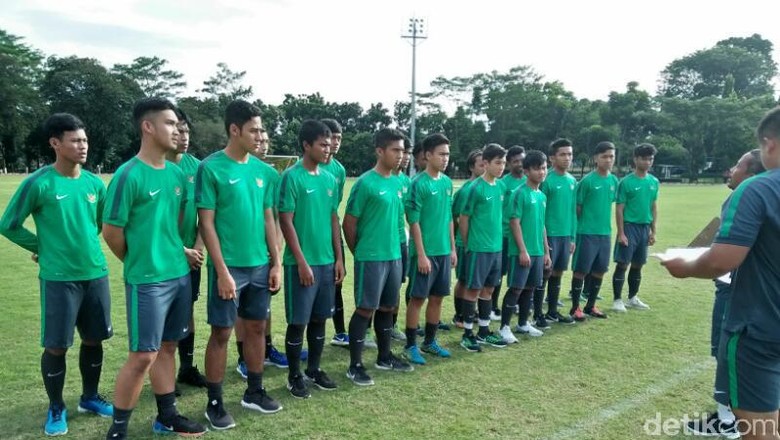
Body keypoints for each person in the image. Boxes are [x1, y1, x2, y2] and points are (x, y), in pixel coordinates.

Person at [663, 107, 780, 440]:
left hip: (760, 327)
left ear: (768, 144)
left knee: (759, 431)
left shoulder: (759, 189)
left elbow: (721, 261)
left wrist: (683, 268)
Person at [0, 113, 113, 436]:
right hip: (59, 279)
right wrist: (42, 246)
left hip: (95, 274)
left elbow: (103, 226)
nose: (83, 146)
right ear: (55, 143)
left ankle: (90, 398)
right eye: (75, 141)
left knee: (94, 339)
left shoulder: (94, 183)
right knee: (57, 346)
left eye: (85, 140)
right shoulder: (39, 183)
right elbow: (7, 225)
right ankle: (56, 406)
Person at [104, 98, 206, 439]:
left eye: (178, 124)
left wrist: (177, 252)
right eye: (169, 123)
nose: (177, 130)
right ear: (148, 127)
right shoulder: (127, 175)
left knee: (167, 347)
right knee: (142, 355)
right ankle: (118, 430)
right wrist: (139, 262)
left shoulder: (177, 174)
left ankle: (166, 416)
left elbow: (169, 228)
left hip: (178, 275)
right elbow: (113, 232)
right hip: (147, 281)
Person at [198, 100, 283, 430]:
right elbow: (206, 223)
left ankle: (254, 391)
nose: (260, 135)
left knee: (257, 328)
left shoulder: (264, 172)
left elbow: (268, 219)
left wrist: (276, 263)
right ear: (234, 130)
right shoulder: (211, 168)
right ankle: (215, 402)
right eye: (254, 130)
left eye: (261, 129)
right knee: (221, 332)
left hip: (260, 266)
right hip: (229, 267)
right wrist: (221, 272)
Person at [684, 149, 764, 438]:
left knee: (726, 351)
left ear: (752, 174)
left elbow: (724, 254)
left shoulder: (744, 198)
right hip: (747, 291)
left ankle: (726, 419)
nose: (731, 169)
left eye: (738, 164)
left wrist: (687, 262)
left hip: (735, 290)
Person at [279, 120, 344, 398]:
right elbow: (286, 220)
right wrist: (302, 261)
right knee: (298, 322)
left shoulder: (330, 179)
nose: (328, 149)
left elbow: (333, 219)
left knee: (320, 319)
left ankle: (314, 370)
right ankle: (294, 376)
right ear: (307, 146)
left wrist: (339, 258)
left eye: (330, 144)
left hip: (327, 262)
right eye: (322, 144)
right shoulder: (292, 177)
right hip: (301, 265)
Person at [343, 127, 412, 385]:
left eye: (402, 150)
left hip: (393, 255)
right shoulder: (365, 183)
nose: (400, 155)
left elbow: (397, 223)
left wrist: (399, 254)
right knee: (365, 309)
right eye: (395, 150)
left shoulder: (397, 183)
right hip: (371, 257)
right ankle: (355, 365)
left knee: (388, 307)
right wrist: (359, 252)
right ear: (380, 151)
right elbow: (348, 223)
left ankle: (384, 356)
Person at [235, 129, 291, 379]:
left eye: (267, 140)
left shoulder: (270, 175)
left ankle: (266, 350)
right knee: (241, 311)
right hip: (241, 257)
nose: (263, 144)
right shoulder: (234, 170)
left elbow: (277, 217)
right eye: (259, 139)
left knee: (262, 309)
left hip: (266, 256)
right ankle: (242, 357)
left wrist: (276, 250)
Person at [403, 133, 459, 361]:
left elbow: (448, 218)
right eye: (441, 154)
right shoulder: (417, 184)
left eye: (447, 154)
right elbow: (413, 221)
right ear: (427, 155)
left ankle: (429, 342)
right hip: (424, 254)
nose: (445, 158)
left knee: (437, 298)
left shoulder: (446, 183)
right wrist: (422, 254)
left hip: (444, 252)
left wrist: (453, 248)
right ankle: (410, 345)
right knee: (418, 299)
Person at [166, 109, 208, 392]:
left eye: (186, 131)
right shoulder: (154, 167)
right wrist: (179, 249)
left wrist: (196, 248)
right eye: (177, 130)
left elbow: (207, 215)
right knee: (164, 314)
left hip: (192, 255)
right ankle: (164, 375)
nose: (183, 137)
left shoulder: (199, 168)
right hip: (164, 255)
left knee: (187, 309)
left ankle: (187, 368)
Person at [458, 143, 508, 351]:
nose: (501, 167)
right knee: (473, 290)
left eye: (503, 162)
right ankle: (467, 333)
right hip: (478, 249)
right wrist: (469, 244)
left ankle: (484, 331)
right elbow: (463, 218)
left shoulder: (502, 187)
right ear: (485, 163)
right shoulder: (474, 188)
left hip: (496, 248)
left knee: (488, 289)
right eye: (498, 163)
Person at [499, 150, 553, 341]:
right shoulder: (519, 193)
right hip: (521, 252)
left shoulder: (542, 196)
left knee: (530, 288)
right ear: (527, 171)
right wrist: (522, 250)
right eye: (537, 169)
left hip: (538, 251)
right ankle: (504, 327)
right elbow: (514, 222)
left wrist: (546, 252)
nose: (542, 172)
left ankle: (523, 323)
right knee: (516, 288)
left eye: (544, 168)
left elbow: (542, 226)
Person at [569, 141, 618, 321]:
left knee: (600, 270)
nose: (608, 160)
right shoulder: (587, 181)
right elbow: (578, 208)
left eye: (611, 156)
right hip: (586, 232)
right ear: (596, 158)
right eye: (604, 156)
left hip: (605, 233)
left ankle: (590, 306)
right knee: (581, 270)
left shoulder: (613, 180)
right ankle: (575, 308)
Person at [611, 143, 659, 312]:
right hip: (629, 227)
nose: (647, 162)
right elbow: (619, 209)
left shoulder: (654, 182)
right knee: (623, 264)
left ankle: (632, 297)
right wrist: (621, 233)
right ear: (635, 159)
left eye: (650, 159)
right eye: (644, 159)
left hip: (644, 228)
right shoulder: (626, 182)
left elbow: (653, 206)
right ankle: (617, 300)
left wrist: (653, 230)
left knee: (638, 264)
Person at [320, 119, 352, 348]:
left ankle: (340, 332)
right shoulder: (311, 165)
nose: (336, 143)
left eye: (340, 138)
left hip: (332, 229)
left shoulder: (339, 169)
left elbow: (335, 204)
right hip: (310, 232)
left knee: (337, 280)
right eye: (333, 138)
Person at [539, 139, 576, 325]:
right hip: (549, 236)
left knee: (559, 273)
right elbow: (540, 213)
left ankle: (552, 311)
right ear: (552, 158)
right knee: (545, 273)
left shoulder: (572, 181)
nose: (567, 158)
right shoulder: (547, 181)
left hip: (565, 236)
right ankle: (538, 313)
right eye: (563, 154)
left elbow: (572, 211)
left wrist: (573, 237)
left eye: (569, 154)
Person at [451, 149, 485, 328]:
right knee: (464, 279)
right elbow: (456, 218)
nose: (485, 167)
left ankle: (470, 312)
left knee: (475, 281)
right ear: (472, 167)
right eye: (481, 164)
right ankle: (460, 315)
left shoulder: (487, 186)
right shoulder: (465, 190)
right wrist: (460, 242)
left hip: (481, 244)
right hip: (465, 243)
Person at [492, 146, 526, 320]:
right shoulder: (503, 182)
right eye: (515, 161)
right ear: (509, 164)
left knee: (519, 273)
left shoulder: (529, 181)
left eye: (522, 160)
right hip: (505, 234)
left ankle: (518, 304)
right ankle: (492, 306)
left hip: (522, 235)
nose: (519, 164)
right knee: (499, 272)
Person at [390, 137, 414, 341]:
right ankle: (371, 328)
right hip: (382, 242)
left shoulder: (407, 182)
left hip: (401, 240)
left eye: (408, 153)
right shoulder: (384, 177)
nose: (405, 157)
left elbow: (411, 216)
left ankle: (392, 324)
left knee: (397, 285)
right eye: (402, 152)